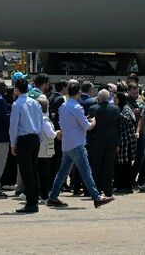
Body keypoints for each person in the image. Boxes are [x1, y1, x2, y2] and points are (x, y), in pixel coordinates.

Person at [46, 80, 115, 209]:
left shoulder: (63, 106)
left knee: (63, 172)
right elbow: (87, 126)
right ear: (78, 93)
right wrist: (93, 121)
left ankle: (53, 196)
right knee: (85, 171)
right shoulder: (76, 107)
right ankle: (96, 197)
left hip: (67, 143)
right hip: (77, 143)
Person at [9, 76, 44, 213]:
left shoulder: (17, 104)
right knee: (33, 171)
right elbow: (40, 121)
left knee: (26, 172)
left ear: (17, 89)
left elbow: (14, 126)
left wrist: (13, 143)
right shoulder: (35, 103)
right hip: (35, 138)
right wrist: (39, 139)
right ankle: (35, 199)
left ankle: (31, 202)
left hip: (24, 139)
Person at [86, 89, 120, 199]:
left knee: (96, 167)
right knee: (109, 167)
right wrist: (118, 142)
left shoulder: (93, 109)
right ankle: (108, 191)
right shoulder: (115, 109)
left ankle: (97, 190)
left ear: (99, 98)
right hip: (111, 142)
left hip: (96, 142)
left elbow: (90, 128)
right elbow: (118, 127)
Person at [113, 92, 137, 194]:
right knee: (119, 165)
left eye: (116, 98)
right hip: (120, 141)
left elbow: (129, 120)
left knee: (125, 165)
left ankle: (127, 187)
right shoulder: (118, 108)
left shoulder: (126, 109)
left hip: (126, 142)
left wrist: (118, 113)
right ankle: (119, 186)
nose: (114, 100)